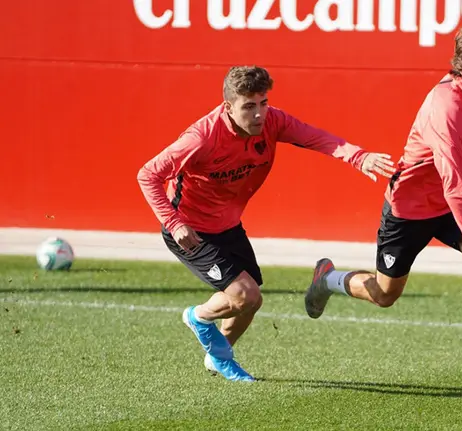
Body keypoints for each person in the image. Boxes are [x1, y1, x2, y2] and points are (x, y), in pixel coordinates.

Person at [303, 18, 462, 396]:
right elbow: (455, 188)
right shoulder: (446, 108)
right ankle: (328, 279)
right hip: (410, 209)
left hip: (446, 206)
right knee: (385, 295)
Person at [137, 66, 396, 382]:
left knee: (250, 302)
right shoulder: (201, 137)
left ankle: (218, 356)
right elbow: (148, 174)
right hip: (191, 230)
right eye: (249, 106)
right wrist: (174, 223)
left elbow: (316, 137)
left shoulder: (273, 121)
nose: (259, 113)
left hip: (228, 225)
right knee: (246, 295)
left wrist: (359, 157)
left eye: (263, 103)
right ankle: (197, 316)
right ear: (228, 107)